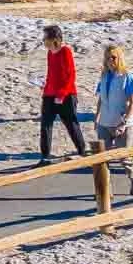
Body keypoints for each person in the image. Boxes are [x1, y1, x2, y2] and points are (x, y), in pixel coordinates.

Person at [94, 43, 133, 197]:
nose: (110, 61)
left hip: (122, 122)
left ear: (119, 58)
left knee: (124, 157)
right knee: (103, 159)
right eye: (107, 58)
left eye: (113, 57)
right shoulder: (104, 76)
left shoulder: (127, 77)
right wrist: (97, 116)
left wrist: (125, 122)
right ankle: (105, 190)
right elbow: (101, 98)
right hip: (105, 121)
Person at [38, 24, 85, 164]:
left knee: (70, 123)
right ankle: (45, 155)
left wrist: (62, 94)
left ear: (54, 39)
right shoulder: (49, 53)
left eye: (46, 37)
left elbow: (71, 75)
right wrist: (45, 87)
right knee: (45, 124)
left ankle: (81, 150)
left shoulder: (66, 51)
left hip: (66, 95)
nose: (43, 40)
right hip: (49, 94)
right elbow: (51, 73)